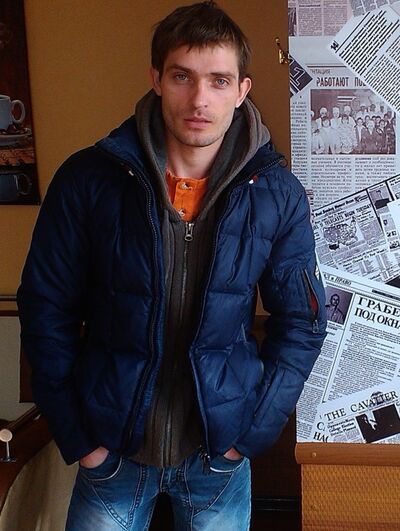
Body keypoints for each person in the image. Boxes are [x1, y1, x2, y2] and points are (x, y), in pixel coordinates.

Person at [17, 2, 327, 530]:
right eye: (183, 76)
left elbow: (303, 322)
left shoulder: (277, 194)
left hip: (217, 456)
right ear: (156, 79)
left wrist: (249, 435)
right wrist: (81, 439)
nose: (200, 99)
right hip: (110, 452)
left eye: (219, 80)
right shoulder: (88, 180)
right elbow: (46, 307)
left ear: (242, 90)